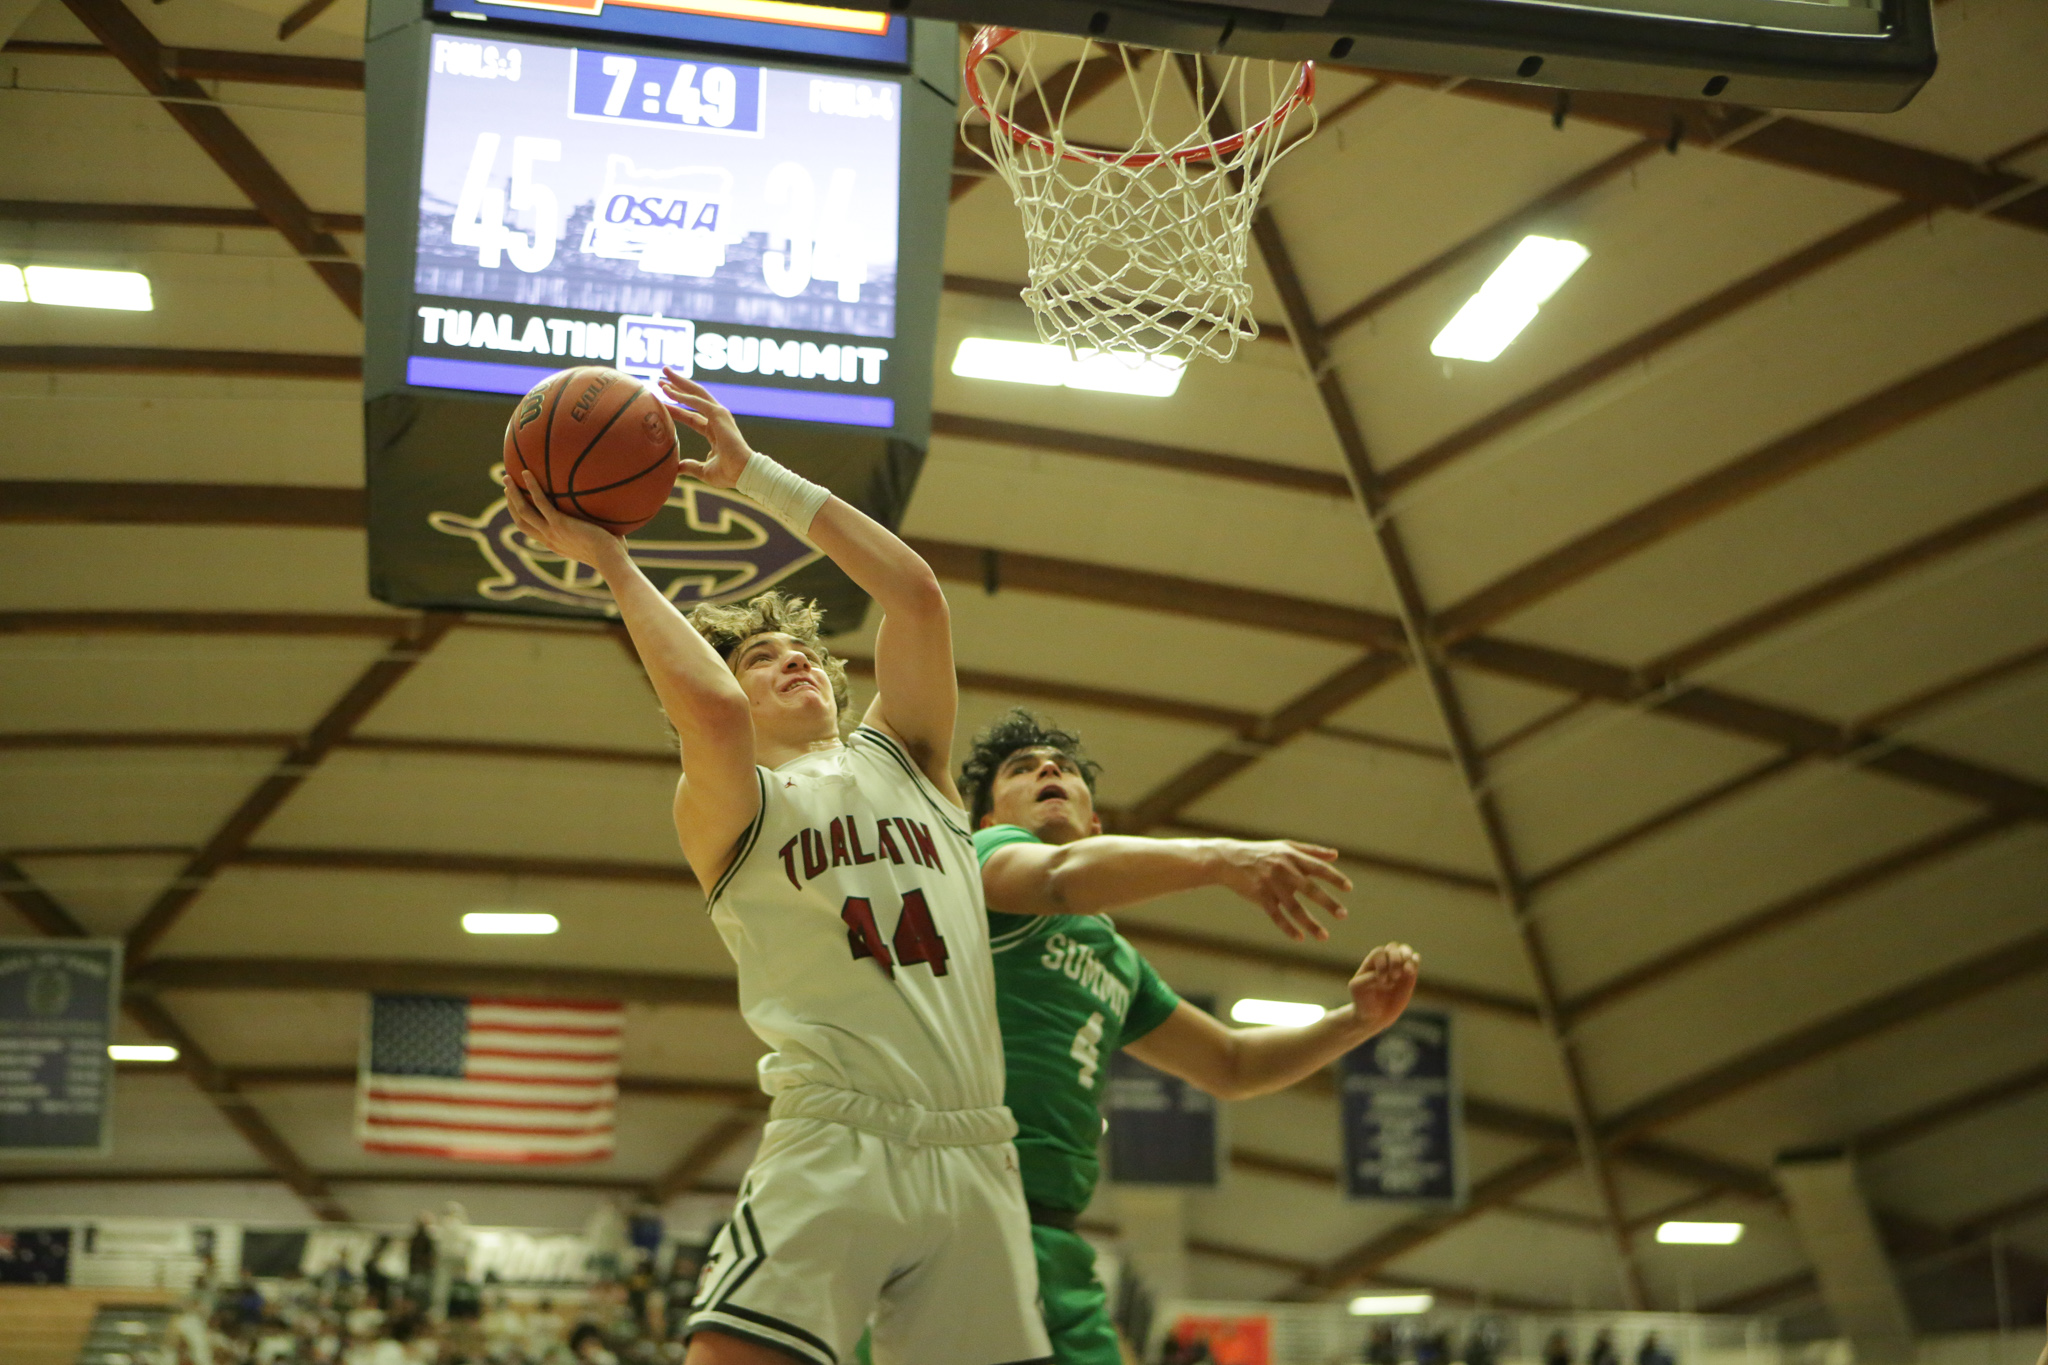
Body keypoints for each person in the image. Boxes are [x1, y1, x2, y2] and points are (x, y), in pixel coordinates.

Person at [504, 371, 1050, 1365]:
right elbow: (707, 712)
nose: (791, 663)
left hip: (977, 1148)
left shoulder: (908, 757)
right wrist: (612, 562)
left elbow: (915, 595)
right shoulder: (732, 805)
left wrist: (755, 476)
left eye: (797, 653)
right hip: (837, 1139)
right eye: (760, 660)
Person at [958, 710, 1422, 1365]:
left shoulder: (1115, 958)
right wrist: (1220, 858)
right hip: (956, 1210)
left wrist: (1356, 1022)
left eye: (1061, 765)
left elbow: (1230, 1063)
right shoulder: (978, 862)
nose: (1047, 768)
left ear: (1097, 824)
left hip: (1052, 1234)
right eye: (1021, 767)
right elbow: (1059, 875)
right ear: (986, 820)